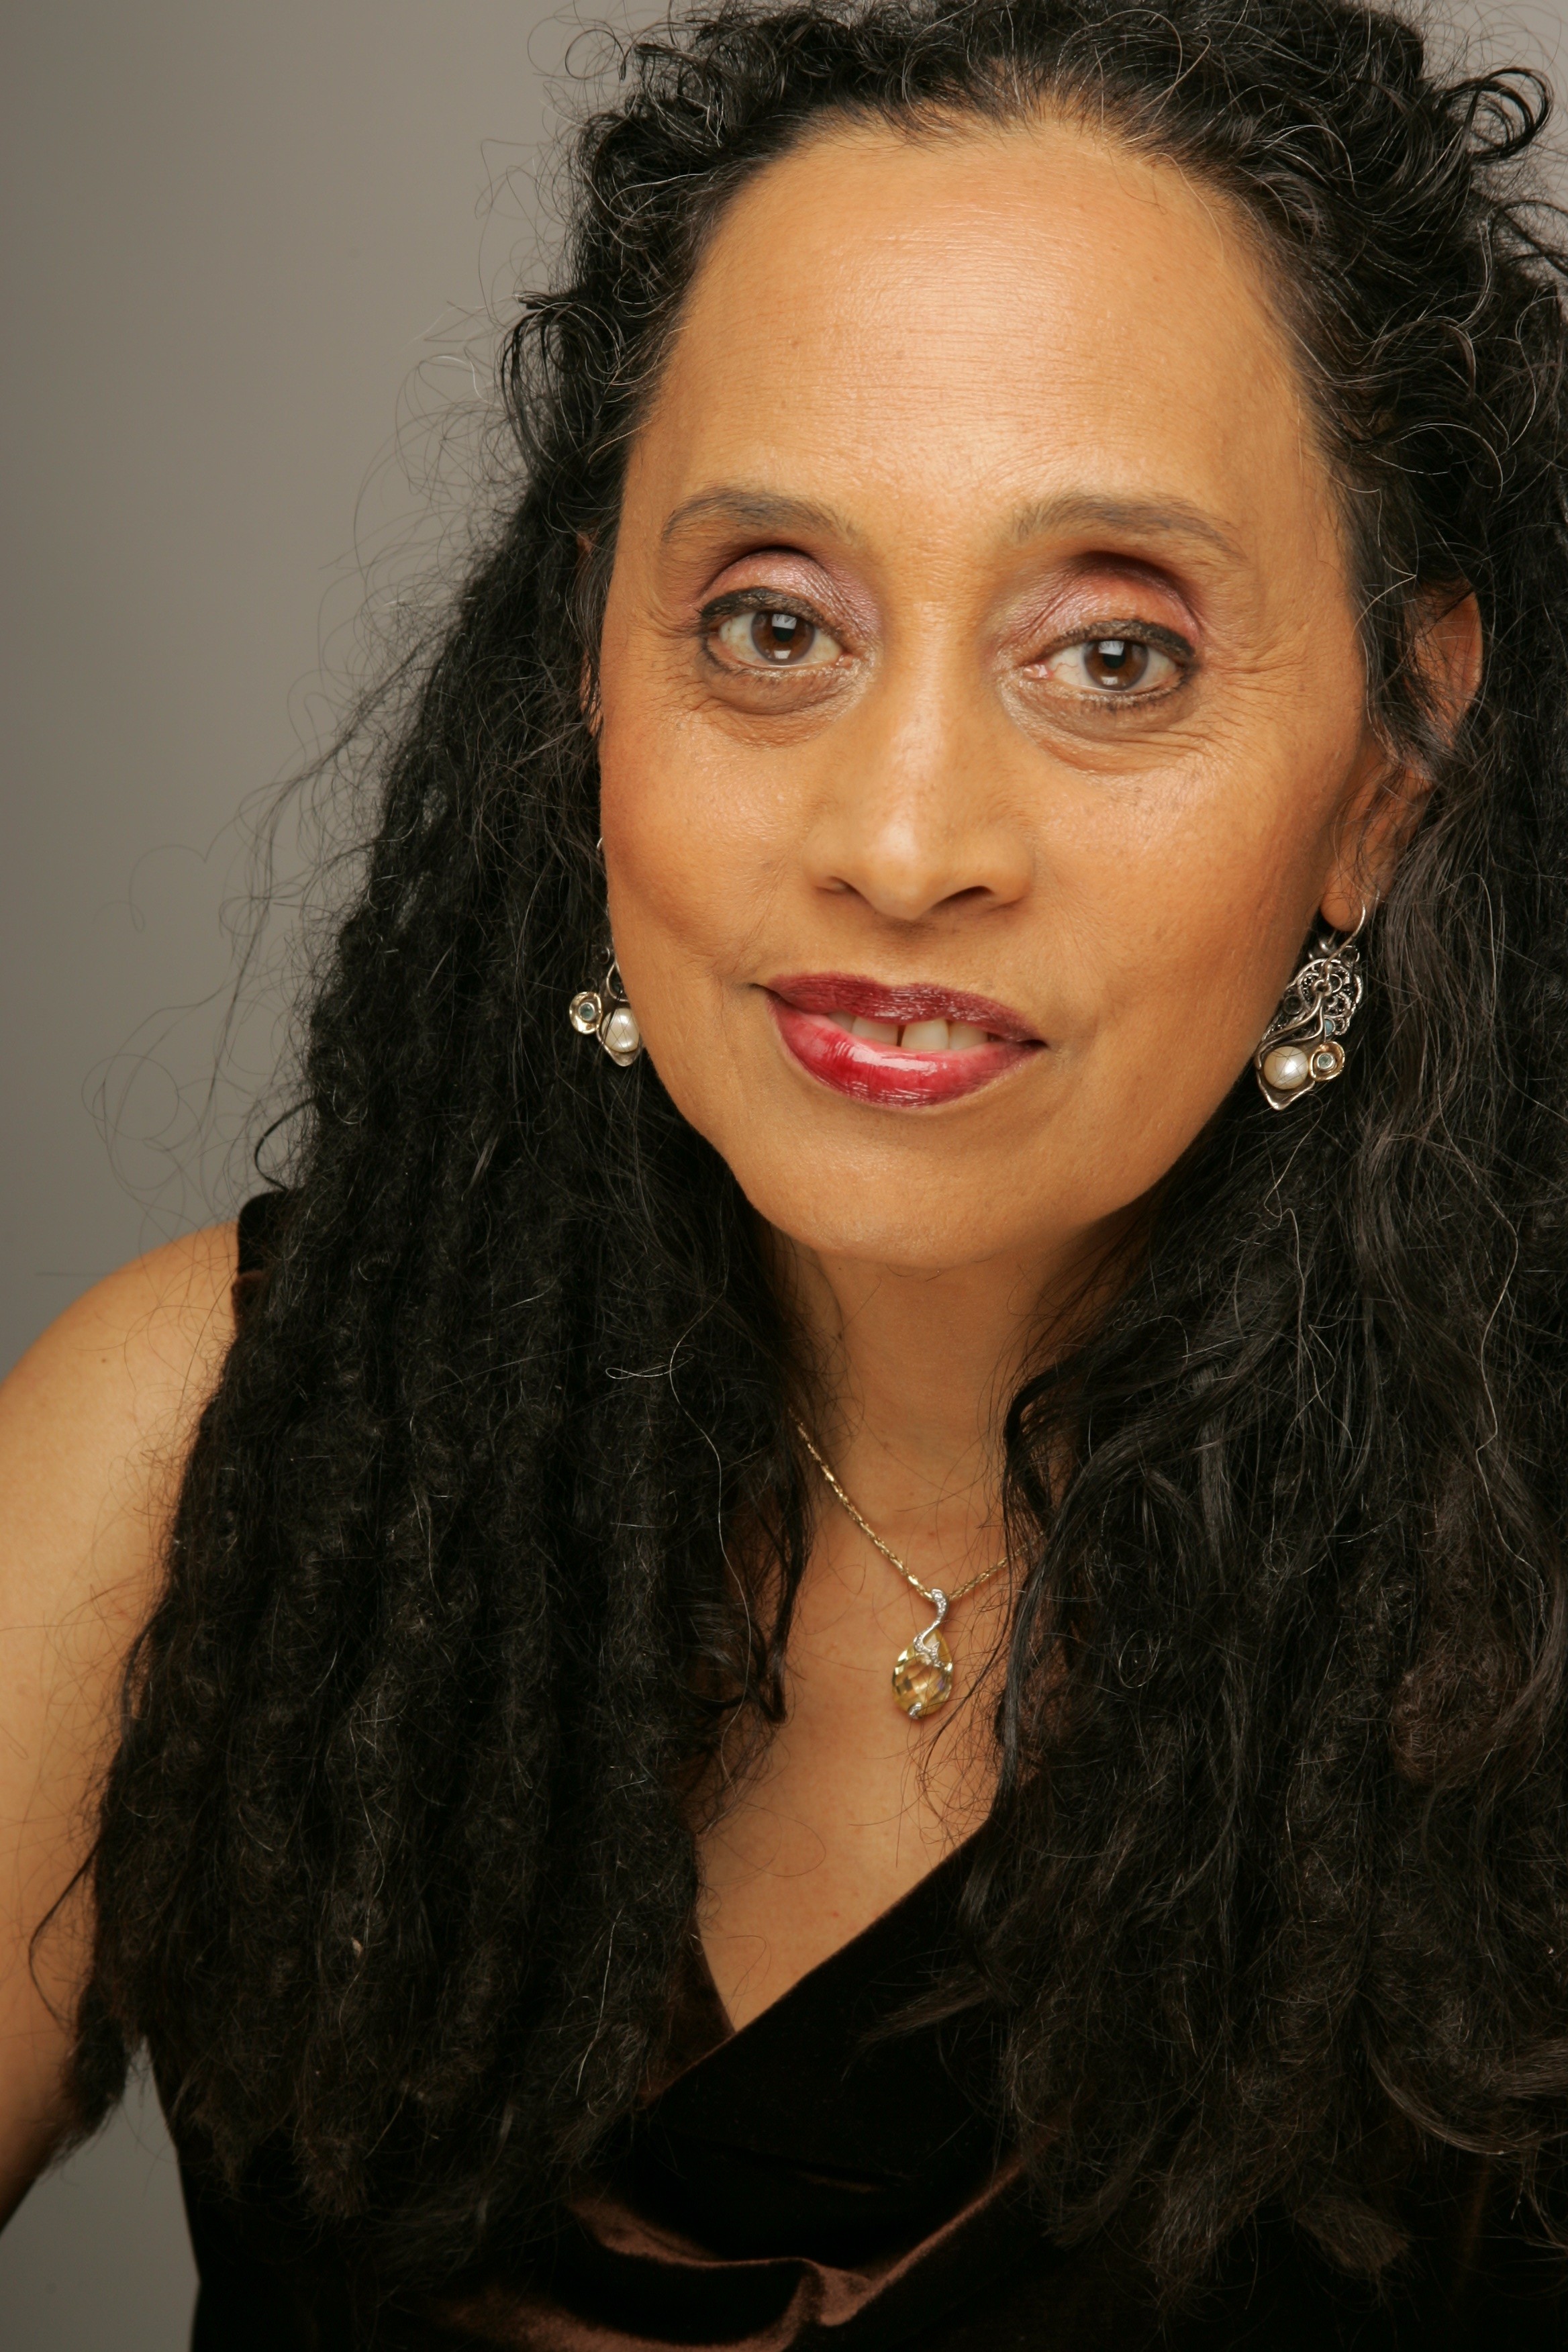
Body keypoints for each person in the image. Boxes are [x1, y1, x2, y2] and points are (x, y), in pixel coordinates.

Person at [4, 0, 1568, 2341]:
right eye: (772, 626)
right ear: (591, 680)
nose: (904, 842)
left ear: (1394, 759)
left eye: (1114, 656)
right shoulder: (188, 1453)